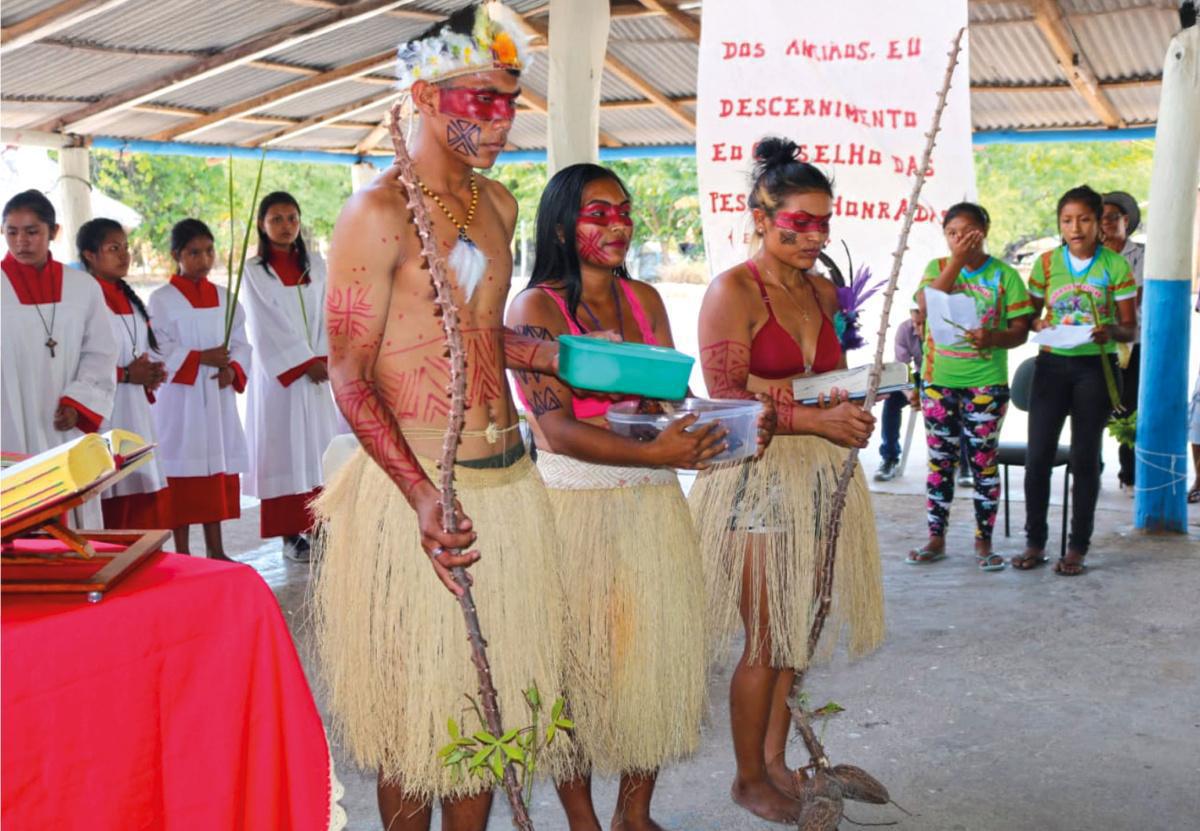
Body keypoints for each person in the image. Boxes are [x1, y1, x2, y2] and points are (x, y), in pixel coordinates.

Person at [310, 7, 577, 829]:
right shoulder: (376, 213)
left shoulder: (497, 204)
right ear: (424, 95)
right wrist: (423, 497)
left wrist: (558, 356)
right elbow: (349, 376)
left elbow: (474, 333)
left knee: (488, 718)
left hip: (509, 480)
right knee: (418, 728)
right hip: (417, 496)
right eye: (480, 101)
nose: (502, 120)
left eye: (509, 100)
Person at [506, 164, 725, 831]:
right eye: (598, 212)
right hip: (576, 505)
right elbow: (556, 428)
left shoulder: (647, 301)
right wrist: (654, 451)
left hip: (652, 500)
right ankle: (583, 821)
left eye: (624, 211)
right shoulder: (534, 308)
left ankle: (636, 812)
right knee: (573, 666)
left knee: (651, 659)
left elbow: (668, 396)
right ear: (562, 224)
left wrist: (720, 423)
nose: (617, 225)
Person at [688, 138, 884, 823]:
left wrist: (858, 397)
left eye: (823, 222)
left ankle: (775, 764)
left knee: (796, 632)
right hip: (755, 475)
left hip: (820, 476)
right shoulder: (731, 291)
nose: (811, 236)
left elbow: (823, 379)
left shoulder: (823, 289)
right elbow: (724, 392)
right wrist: (815, 418)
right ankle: (747, 778)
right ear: (759, 217)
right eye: (797, 222)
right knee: (767, 635)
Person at [1015, 186, 1137, 575]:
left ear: (1099, 223)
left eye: (1084, 219)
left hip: (1094, 370)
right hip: (1051, 366)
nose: (1075, 227)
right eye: (1067, 220)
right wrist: (1038, 322)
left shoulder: (1115, 267)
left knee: (1085, 460)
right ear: (1059, 224)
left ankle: (1077, 548)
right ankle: (1035, 542)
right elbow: (1029, 318)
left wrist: (1109, 331)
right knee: (1037, 460)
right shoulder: (1047, 265)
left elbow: (1129, 328)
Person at [909, 203, 1033, 571]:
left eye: (969, 232)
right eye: (953, 233)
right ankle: (936, 536)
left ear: (986, 231)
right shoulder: (936, 269)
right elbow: (924, 305)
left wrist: (993, 336)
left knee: (982, 462)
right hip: (938, 381)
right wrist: (956, 261)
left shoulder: (1005, 276)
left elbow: (1020, 331)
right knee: (940, 462)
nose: (960, 239)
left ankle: (984, 541)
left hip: (985, 384)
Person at [2, 190, 118, 528]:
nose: (21, 241)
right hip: (9, 418)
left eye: (32, 231)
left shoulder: (83, 287)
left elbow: (100, 351)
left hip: (64, 419)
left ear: (54, 232)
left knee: (70, 512)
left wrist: (79, 402)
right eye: (12, 232)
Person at [241, 191, 340, 563]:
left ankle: (319, 524)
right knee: (284, 451)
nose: (286, 226)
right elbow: (266, 323)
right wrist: (302, 361)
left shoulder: (316, 264)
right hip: (281, 381)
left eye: (292, 218)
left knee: (317, 449)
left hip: (316, 374)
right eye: (277, 219)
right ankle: (289, 534)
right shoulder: (253, 272)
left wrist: (323, 358)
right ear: (262, 225)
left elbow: (330, 311)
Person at [149, 219, 251, 559]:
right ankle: (182, 551)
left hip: (216, 398)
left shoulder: (225, 297)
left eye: (208, 251)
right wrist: (200, 357)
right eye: (194, 252)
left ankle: (216, 548)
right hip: (181, 402)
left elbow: (241, 343)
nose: (203, 259)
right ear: (177, 255)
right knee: (182, 475)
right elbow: (158, 347)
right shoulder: (162, 300)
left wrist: (233, 369)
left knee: (214, 475)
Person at [76, 218, 172, 529]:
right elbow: (77, 361)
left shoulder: (127, 296)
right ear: (90, 255)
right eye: (113, 248)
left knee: (139, 487)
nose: (124, 255)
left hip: (135, 409)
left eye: (126, 248)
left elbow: (135, 347)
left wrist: (150, 372)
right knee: (110, 489)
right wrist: (127, 374)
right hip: (104, 411)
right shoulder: (83, 298)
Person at [1100, 191, 1145, 491]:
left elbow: (1134, 299)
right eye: (1100, 219)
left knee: (1129, 410)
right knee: (1092, 407)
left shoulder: (1141, 255)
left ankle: (1128, 474)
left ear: (1126, 221)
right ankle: (1087, 468)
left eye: (1112, 218)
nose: (1106, 224)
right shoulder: (1087, 254)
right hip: (1094, 342)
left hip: (1132, 341)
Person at [874, 309, 923, 481]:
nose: (918, 329)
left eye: (922, 323)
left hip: (944, 375)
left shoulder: (944, 328)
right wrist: (910, 394)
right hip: (917, 375)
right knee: (892, 399)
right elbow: (902, 368)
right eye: (915, 323)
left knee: (959, 402)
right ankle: (889, 457)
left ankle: (964, 464)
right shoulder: (904, 329)